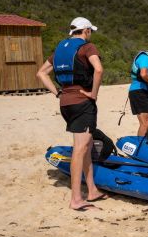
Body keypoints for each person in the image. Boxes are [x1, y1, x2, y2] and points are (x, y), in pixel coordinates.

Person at [37, 17, 105, 211]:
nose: (90, 34)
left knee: (87, 145)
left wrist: (58, 92)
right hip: (82, 102)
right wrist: (93, 93)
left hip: (65, 102)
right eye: (90, 31)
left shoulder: (60, 49)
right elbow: (98, 69)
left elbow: (41, 73)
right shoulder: (87, 47)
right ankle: (76, 199)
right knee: (80, 148)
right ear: (86, 31)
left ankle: (91, 189)